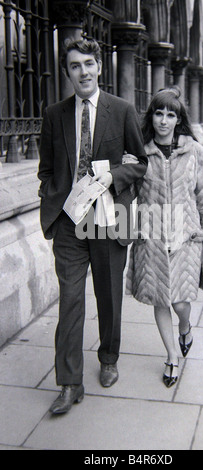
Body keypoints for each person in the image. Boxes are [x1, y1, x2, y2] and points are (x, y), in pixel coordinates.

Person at [38, 37, 147, 414]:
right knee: (70, 300)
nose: (82, 72)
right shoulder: (54, 115)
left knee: (108, 295)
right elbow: (46, 169)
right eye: (74, 66)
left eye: (88, 63)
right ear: (66, 72)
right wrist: (51, 198)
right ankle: (69, 382)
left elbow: (141, 164)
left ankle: (109, 356)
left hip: (107, 218)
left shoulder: (122, 110)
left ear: (99, 66)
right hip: (69, 221)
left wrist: (112, 177)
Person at [126, 87, 203, 387]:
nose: (164, 121)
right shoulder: (141, 152)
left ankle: (185, 327)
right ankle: (171, 357)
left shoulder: (194, 151)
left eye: (170, 115)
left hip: (186, 237)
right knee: (159, 299)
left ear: (178, 120)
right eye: (158, 113)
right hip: (151, 238)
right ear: (151, 116)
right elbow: (128, 194)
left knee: (180, 302)